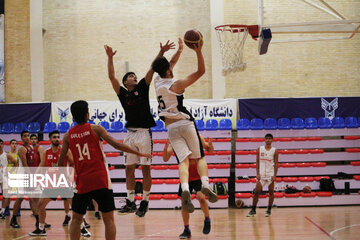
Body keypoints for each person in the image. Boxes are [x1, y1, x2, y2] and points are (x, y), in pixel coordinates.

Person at [58, 100, 152, 240]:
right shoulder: (96, 129)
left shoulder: (67, 135)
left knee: (76, 219)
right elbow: (116, 145)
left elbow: (61, 160)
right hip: (100, 180)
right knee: (108, 219)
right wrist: (139, 153)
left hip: (82, 181)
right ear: (87, 114)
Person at [104, 40, 175, 217]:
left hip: (144, 133)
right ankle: (130, 201)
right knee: (129, 168)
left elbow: (152, 68)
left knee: (145, 169)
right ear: (126, 82)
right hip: (130, 134)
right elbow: (111, 77)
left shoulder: (143, 87)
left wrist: (161, 52)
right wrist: (110, 58)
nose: (134, 77)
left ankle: (144, 201)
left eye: (135, 75)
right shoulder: (122, 93)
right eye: (131, 76)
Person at [152, 37, 218, 213]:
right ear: (168, 71)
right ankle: (205, 184)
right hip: (185, 123)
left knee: (183, 160)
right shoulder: (177, 85)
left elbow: (166, 64)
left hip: (170, 127)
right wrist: (198, 51)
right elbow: (201, 71)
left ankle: (186, 189)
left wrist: (179, 51)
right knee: (200, 157)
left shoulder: (157, 82)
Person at [29, 130, 90, 236]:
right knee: (41, 205)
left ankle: (82, 228)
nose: (57, 139)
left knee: (75, 206)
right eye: (54, 137)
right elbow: (42, 165)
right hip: (51, 183)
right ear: (50, 139)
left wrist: (71, 175)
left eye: (58, 137)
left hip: (63, 182)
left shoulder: (65, 151)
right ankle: (41, 228)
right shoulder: (46, 152)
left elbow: (74, 164)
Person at [163, 136, 214, 239]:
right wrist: (165, 147)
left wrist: (210, 145)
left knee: (201, 197)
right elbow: (165, 158)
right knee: (184, 203)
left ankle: (207, 219)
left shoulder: (197, 137)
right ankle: (186, 229)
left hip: (198, 175)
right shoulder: (176, 140)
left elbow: (210, 150)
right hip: (185, 177)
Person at [10, 131, 41, 229]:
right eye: (25, 136)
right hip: (23, 175)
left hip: (28, 175)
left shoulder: (31, 148)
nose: (27, 138)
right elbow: (25, 164)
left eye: (28, 136)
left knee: (23, 198)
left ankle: (13, 219)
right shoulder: (22, 149)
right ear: (21, 138)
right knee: (25, 198)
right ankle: (37, 220)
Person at [247, 133, 279, 217]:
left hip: (270, 174)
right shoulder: (259, 149)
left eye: (269, 138)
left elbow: (276, 163)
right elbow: (257, 162)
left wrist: (275, 175)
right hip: (261, 174)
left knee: (271, 192)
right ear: (264, 139)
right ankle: (253, 210)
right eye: (266, 138)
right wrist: (257, 173)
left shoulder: (275, 150)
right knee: (257, 191)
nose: (268, 140)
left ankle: (269, 210)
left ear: (272, 140)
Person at [0, 139, 8, 219]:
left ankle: (2, 211)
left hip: (4, 177)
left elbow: (15, 163)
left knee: (5, 195)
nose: (0, 145)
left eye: (1, 143)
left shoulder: (6, 155)